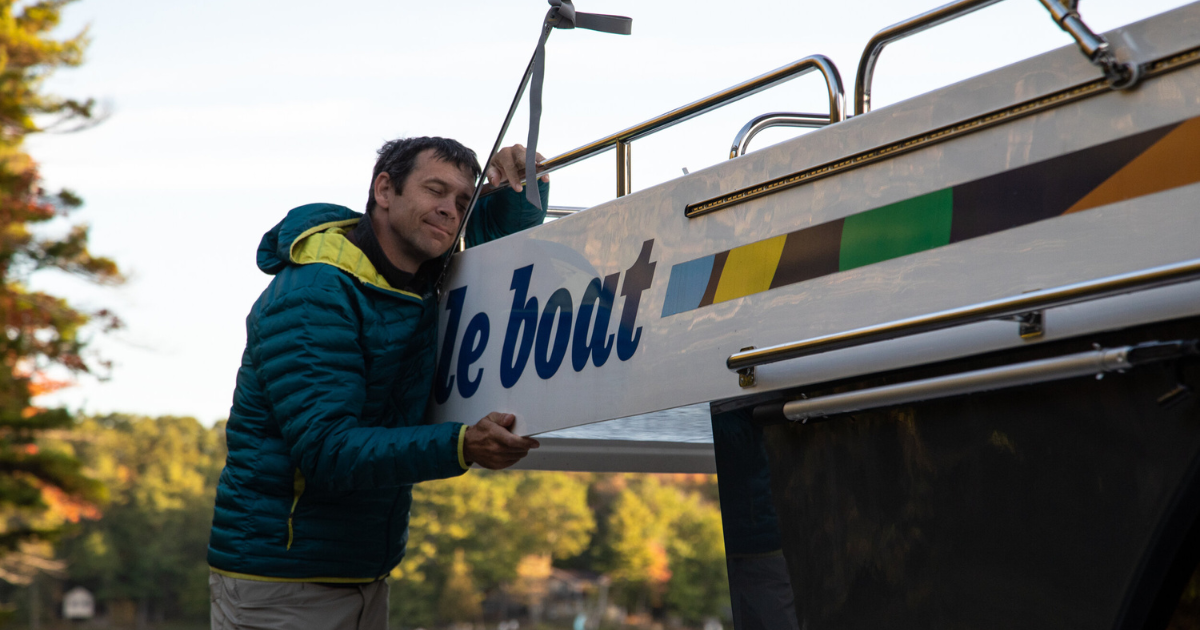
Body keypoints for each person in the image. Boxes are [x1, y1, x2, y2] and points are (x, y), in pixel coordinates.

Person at [207, 137, 548, 629]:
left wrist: (521, 183)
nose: (450, 210)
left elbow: (490, 249)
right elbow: (327, 451)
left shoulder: (417, 277)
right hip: (279, 583)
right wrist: (461, 445)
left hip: (364, 573)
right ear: (385, 190)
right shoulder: (314, 293)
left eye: (462, 200)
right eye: (435, 190)